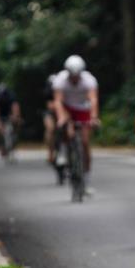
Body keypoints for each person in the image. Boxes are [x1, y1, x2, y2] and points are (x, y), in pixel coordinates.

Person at [52, 55, 99, 187]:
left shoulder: (89, 80)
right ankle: (64, 150)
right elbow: (58, 101)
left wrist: (94, 117)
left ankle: (87, 177)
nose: (74, 78)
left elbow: (93, 100)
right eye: (72, 75)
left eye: (76, 75)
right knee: (67, 129)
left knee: (84, 142)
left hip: (83, 108)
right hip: (67, 108)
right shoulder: (60, 80)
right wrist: (61, 117)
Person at [0, 83, 21, 158]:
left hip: (9, 113)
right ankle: (2, 146)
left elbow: (15, 106)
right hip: (1, 115)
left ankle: (14, 140)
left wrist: (15, 116)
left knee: (17, 123)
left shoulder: (11, 96)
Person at [42, 74, 59, 168]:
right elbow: (50, 106)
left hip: (63, 112)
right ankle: (50, 153)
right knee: (50, 129)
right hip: (50, 113)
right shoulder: (47, 92)